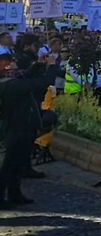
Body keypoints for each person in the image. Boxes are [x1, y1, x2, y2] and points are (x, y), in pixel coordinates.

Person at [0, 51, 59, 209]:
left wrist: (39, 64)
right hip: (16, 128)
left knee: (16, 163)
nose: (13, 63)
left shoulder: (11, 81)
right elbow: (43, 82)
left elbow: (26, 75)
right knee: (9, 165)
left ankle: (15, 193)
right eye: (8, 62)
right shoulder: (11, 85)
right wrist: (52, 66)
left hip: (21, 126)